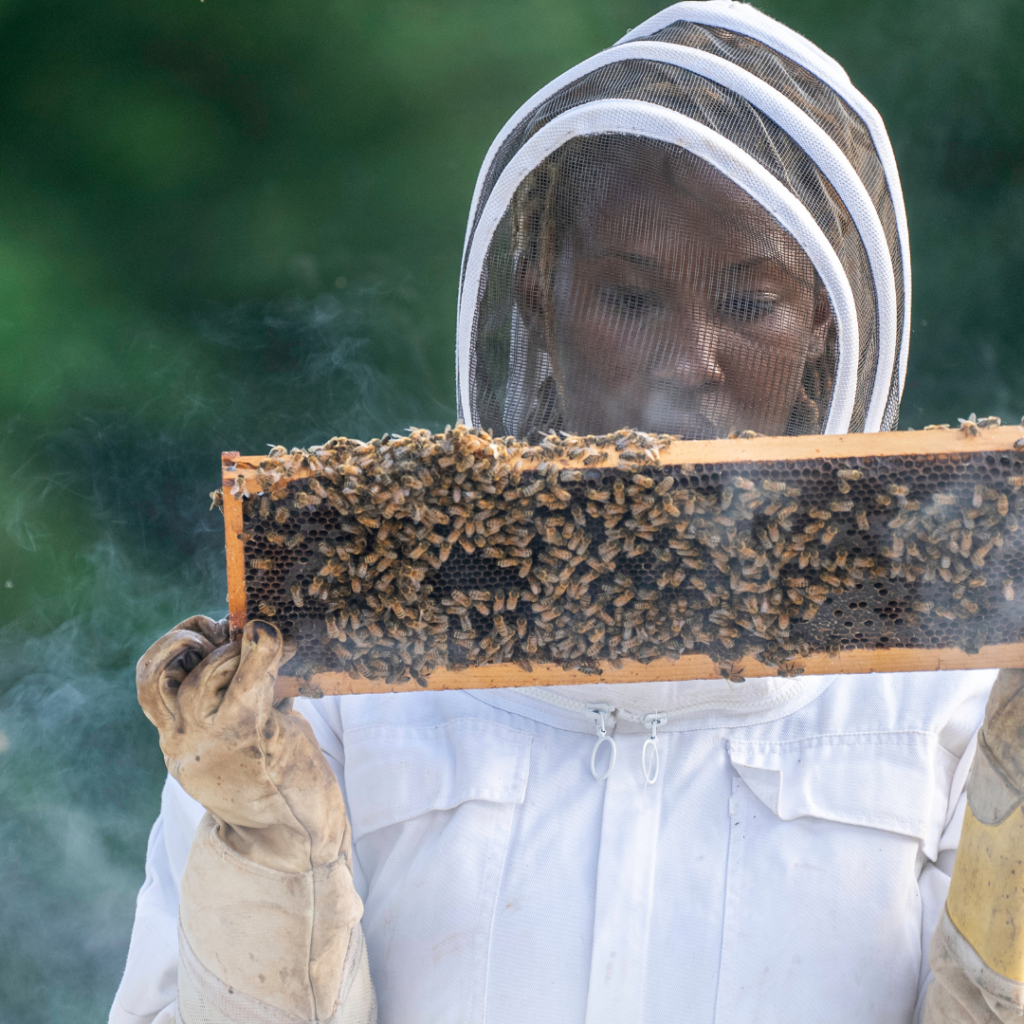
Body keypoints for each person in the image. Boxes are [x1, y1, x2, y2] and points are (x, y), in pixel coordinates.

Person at [109, 4, 1024, 1022]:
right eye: (631, 299)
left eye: (749, 302)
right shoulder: (332, 682)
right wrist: (267, 858)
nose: (686, 362)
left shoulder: (946, 698)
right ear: (540, 301)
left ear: (822, 323)